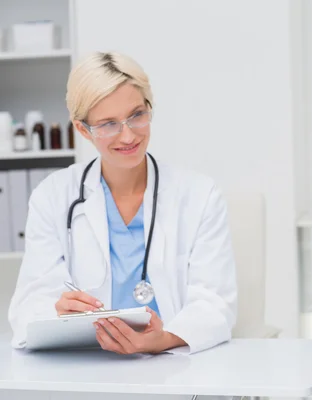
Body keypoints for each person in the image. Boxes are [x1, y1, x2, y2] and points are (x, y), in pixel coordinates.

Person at [8, 52, 237, 355]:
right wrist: (56, 311)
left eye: (136, 115)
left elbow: (215, 303)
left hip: (174, 365)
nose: (128, 135)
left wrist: (164, 338)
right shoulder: (52, 197)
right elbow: (29, 305)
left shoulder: (198, 195)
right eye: (108, 124)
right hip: (87, 365)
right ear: (82, 130)